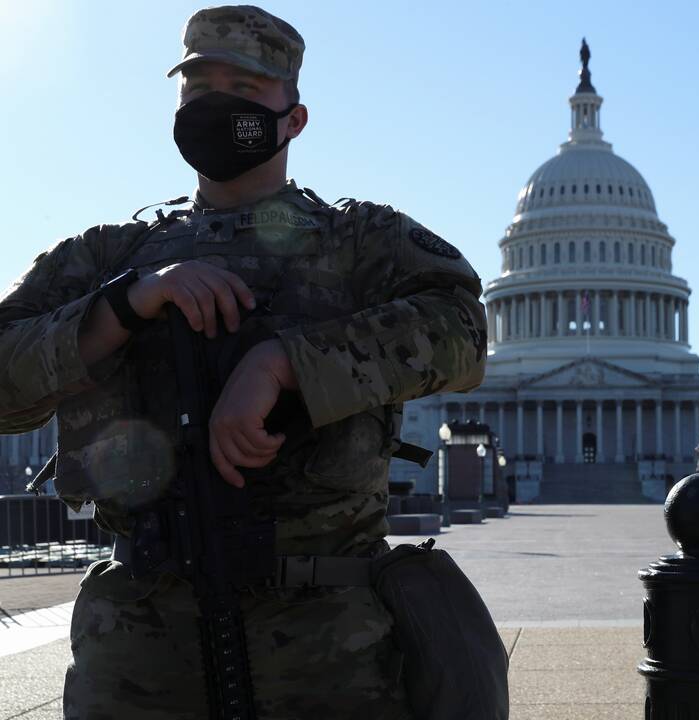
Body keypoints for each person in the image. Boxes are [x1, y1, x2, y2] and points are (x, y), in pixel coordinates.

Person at [0, 5, 486, 718]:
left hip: (326, 647)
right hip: (138, 650)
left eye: (245, 90)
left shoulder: (362, 242)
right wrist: (129, 304)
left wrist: (284, 365)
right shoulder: (110, 256)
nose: (218, 106)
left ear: (294, 117)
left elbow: (462, 331)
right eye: (198, 91)